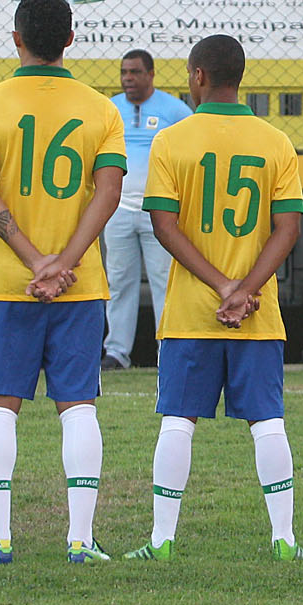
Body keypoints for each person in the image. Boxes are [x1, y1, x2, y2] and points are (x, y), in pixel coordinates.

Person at [0, 0, 126, 566]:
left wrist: (32, 261)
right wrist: (65, 262)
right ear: (71, 41)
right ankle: (80, 539)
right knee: (77, 406)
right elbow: (109, 192)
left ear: (16, 38)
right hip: (80, 285)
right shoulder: (101, 108)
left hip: (8, 283)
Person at [127, 33, 303, 561]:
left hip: (190, 310)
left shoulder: (173, 140)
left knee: (179, 418)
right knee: (267, 419)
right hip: (257, 313)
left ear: (198, 76)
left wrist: (221, 286)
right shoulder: (276, 141)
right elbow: (288, 228)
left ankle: (161, 540)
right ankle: (285, 539)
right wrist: (246, 288)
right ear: (240, 77)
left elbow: (164, 225)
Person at [102, 50, 193, 373]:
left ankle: (167, 347)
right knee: (119, 281)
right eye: (124, 72)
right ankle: (116, 352)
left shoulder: (175, 110)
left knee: (164, 280)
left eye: (135, 72)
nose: (128, 78)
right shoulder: (110, 109)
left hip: (159, 212)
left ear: (151, 74)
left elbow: (191, 151)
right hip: (117, 209)